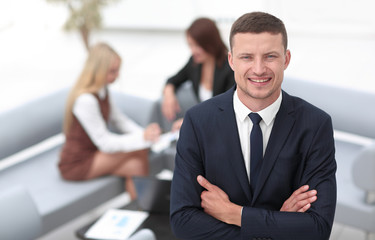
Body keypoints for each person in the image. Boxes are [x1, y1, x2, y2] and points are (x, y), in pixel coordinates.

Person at [170, 12, 336, 239]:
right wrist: (277, 223)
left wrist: (234, 214)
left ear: (286, 59)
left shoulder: (316, 125)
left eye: (270, 56)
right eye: (247, 57)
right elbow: (183, 222)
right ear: (231, 60)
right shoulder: (197, 121)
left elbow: (318, 229)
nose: (258, 69)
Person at [58, 42, 161, 200]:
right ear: (98, 71)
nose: (117, 75)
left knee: (136, 165)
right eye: (113, 71)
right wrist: (142, 138)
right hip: (77, 162)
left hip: (94, 154)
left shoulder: (102, 91)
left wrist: (146, 134)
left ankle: (142, 211)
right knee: (140, 150)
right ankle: (146, 208)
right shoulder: (86, 100)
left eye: (117, 70)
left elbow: (120, 121)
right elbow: (105, 143)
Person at [162, 17, 235, 131]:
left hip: (223, 129)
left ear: (210, 43)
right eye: (190, 45)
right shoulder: (195, 63)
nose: (193, 50)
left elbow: (227, 109)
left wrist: (193, 120)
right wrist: (168, 93)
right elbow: (173, 80)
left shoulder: (229, 67)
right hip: (204, 129)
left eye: (196, 45)